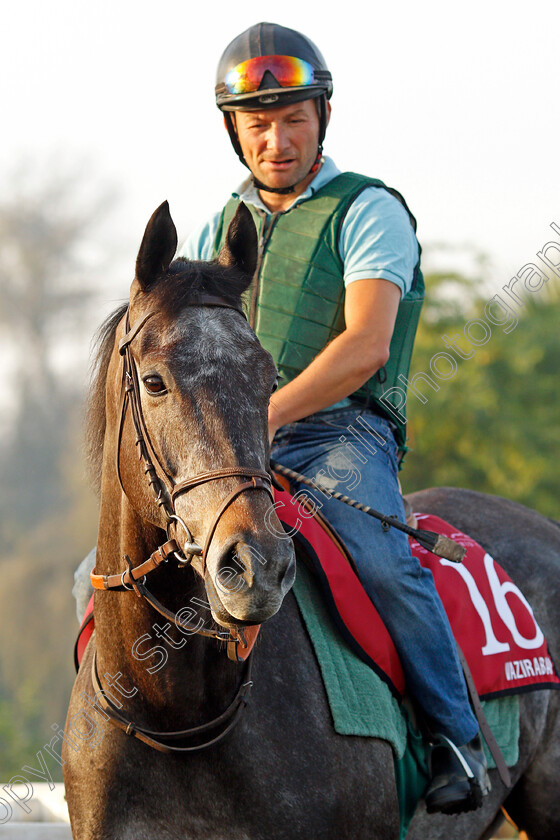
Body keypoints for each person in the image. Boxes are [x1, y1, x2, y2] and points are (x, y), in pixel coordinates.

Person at [74, 21, 489, 815]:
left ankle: (454, 739)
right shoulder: (209, 231)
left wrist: (264, 416)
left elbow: (364, 345)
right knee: (97, 577)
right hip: (226, 445)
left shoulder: (365, 210)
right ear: (235, 132)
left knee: (378, 557)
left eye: (293, 118)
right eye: (258, 124)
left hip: (340, 433)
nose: (276, 139)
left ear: (322, 119)